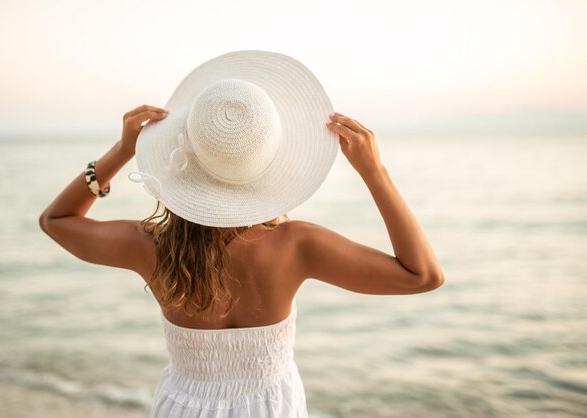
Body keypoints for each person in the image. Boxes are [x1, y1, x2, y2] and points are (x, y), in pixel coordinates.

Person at [38, 50, 444, 418]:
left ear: (186, 157)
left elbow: (56, 220)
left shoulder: (151, 246)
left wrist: (123, 150)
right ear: (269, 163)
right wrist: (375, 173)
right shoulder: (298, 246)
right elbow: (423, 276)